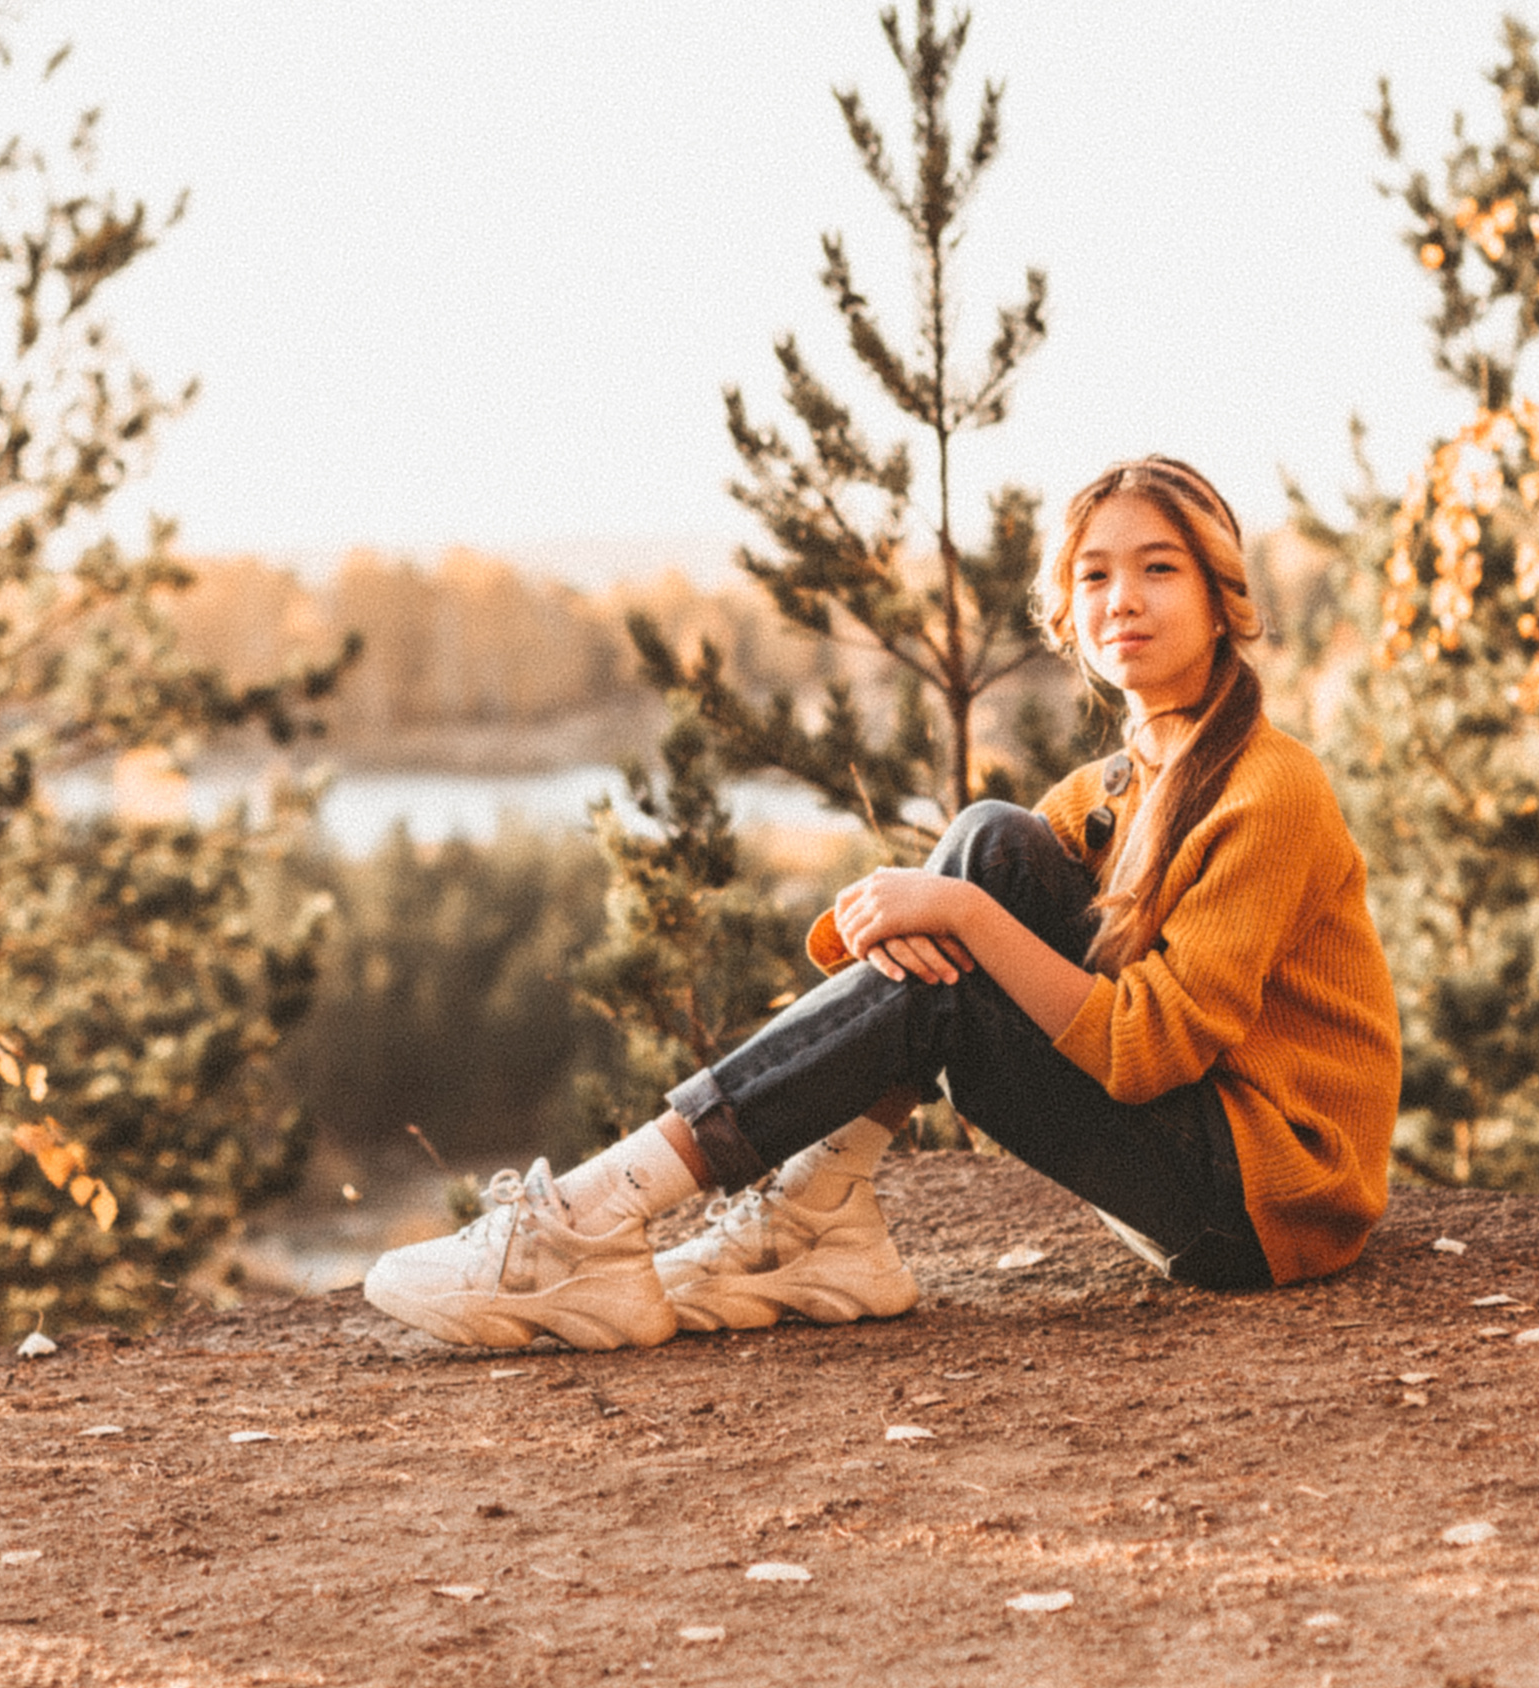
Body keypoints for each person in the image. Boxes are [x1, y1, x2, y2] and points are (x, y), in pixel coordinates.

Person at [361, 455, 1401, 1350]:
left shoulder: (1270, 790)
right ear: (1064, 610)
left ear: (1223, 597)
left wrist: (955, 917)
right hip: (1186, 1158)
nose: (1120, 598)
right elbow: (943, 912)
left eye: (1157, 568)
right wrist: (918, 915)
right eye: (1094, 574)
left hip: (1261, 1206)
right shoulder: (1111, 787)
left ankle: (597, 1218)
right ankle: (816, 1219)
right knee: (992, 838)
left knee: (959, 937)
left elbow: (1150, 1049)